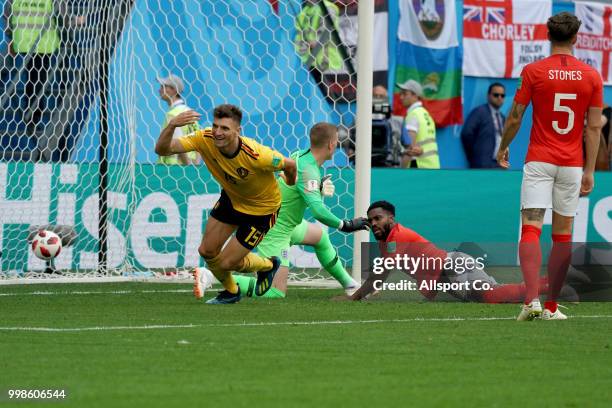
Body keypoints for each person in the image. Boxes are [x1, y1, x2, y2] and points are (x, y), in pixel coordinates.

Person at [496, 12, 603, 321]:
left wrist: (503, 148)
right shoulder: (591, 76)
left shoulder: (533, 71)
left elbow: (516, 115)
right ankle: (552, 307)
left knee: (530, 227)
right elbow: (593, 128)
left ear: (548, 37)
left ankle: (531, 300)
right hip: (571, 164)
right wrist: (590, 170)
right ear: (575, 38)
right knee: (563, 235)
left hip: (539, 160)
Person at [193, 122, 369, 299]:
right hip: (275, 228)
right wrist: (346, 225)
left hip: (290, 223)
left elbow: (294, 185)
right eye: (337, 142)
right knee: (275, 292)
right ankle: (212, 275)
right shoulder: (309, 169)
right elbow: (318, 211)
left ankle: (351, 285)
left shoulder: (300, 156)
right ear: (331, 144)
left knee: (320, 237)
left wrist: (318, 187)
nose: (337, 145)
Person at [155, 104, 297, 304]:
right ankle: (231, 291)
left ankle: (267, 265)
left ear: (237, 131)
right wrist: (171, 126)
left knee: (227, 263)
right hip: (232, 199)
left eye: (224, 128)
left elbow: (290, 165)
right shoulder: (204, 138)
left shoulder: (257, 154)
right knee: (206, 251)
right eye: (215, 126)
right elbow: (162, 149)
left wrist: (290, 183)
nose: (217, 133)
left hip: (262, 211)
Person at [343, 201, 563, 304]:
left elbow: (381, 272)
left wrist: (355, 297)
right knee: (494, 293)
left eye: (378, 219)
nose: (373, 223)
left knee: (491, 297)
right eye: (370, 220)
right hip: (450, 269)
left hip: (452, 268)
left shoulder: (398, 235)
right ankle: (555, 284)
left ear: (392, 218)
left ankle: (554, 284)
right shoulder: (385, 238)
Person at [4, 0, 60, 132]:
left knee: (32, 78)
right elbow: (63, 17)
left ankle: (30, 115)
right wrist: (76, 21)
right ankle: (32, 117)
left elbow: (7, 14)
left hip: (22, 42)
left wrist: (9, 38)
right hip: (43, 43)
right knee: (37, 80)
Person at [294, 0, 343, 87]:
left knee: (328, 98)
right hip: (309, 64)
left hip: (327, 65)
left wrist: (308, 43)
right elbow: (298, 36)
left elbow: (325, 35)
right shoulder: (304, 10)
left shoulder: (328, 7)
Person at [156, 74, 199, 165]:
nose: (159, 90)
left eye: (163, 86)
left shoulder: (173, 114)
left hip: (173, 168)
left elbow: (178, 143)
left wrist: (188, 167)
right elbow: (199, 143)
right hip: (190, 169)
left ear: (174, 90)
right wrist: (195, 167)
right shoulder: (190, 112)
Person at [461, 83, 506, 168]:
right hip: (482, 164)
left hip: (498, 165)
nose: (499, 98)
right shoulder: (480, 112)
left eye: (502, 95)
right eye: (496, 95)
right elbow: (466, 133)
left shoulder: (502, 117)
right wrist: (475, 154)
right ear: (488, 96)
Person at [397, 80, 440, 169]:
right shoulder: (425, 114)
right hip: (433, 166)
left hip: (419, 166)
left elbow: (410, 149)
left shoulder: (413, 115)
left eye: (405, 94)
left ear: (415, 95)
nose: (401, 97)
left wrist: (400, 170)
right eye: (401, 94)